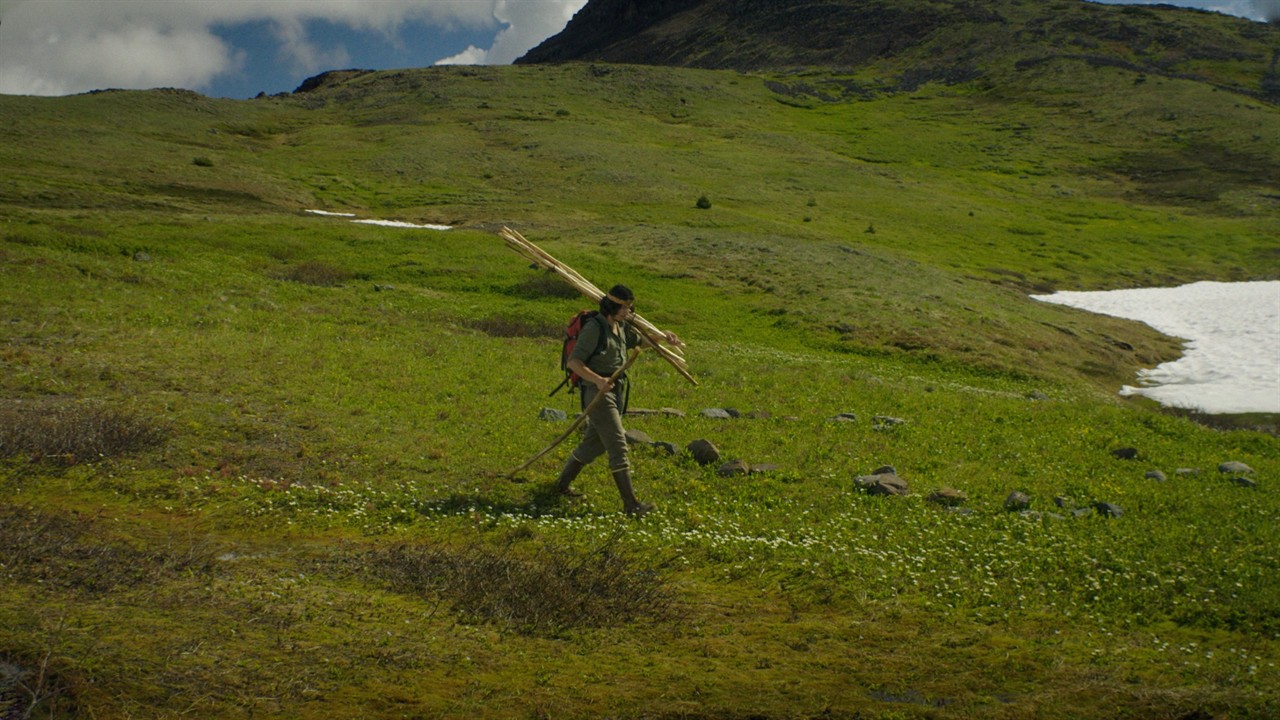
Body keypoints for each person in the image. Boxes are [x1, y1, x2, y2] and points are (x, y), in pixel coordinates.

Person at [554, 284, 682, 516]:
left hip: (616, 391)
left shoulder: (620, 327)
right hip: (598, 393)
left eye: (629, 308)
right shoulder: (595, 328)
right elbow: (574, 362)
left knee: (594, 444)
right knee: (618, 445)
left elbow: (640, 342)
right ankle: (631, 505)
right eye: (623, 307)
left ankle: (561, 485)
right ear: (611, 305)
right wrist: (598, 380)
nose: (627, 312)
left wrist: (663, 336)